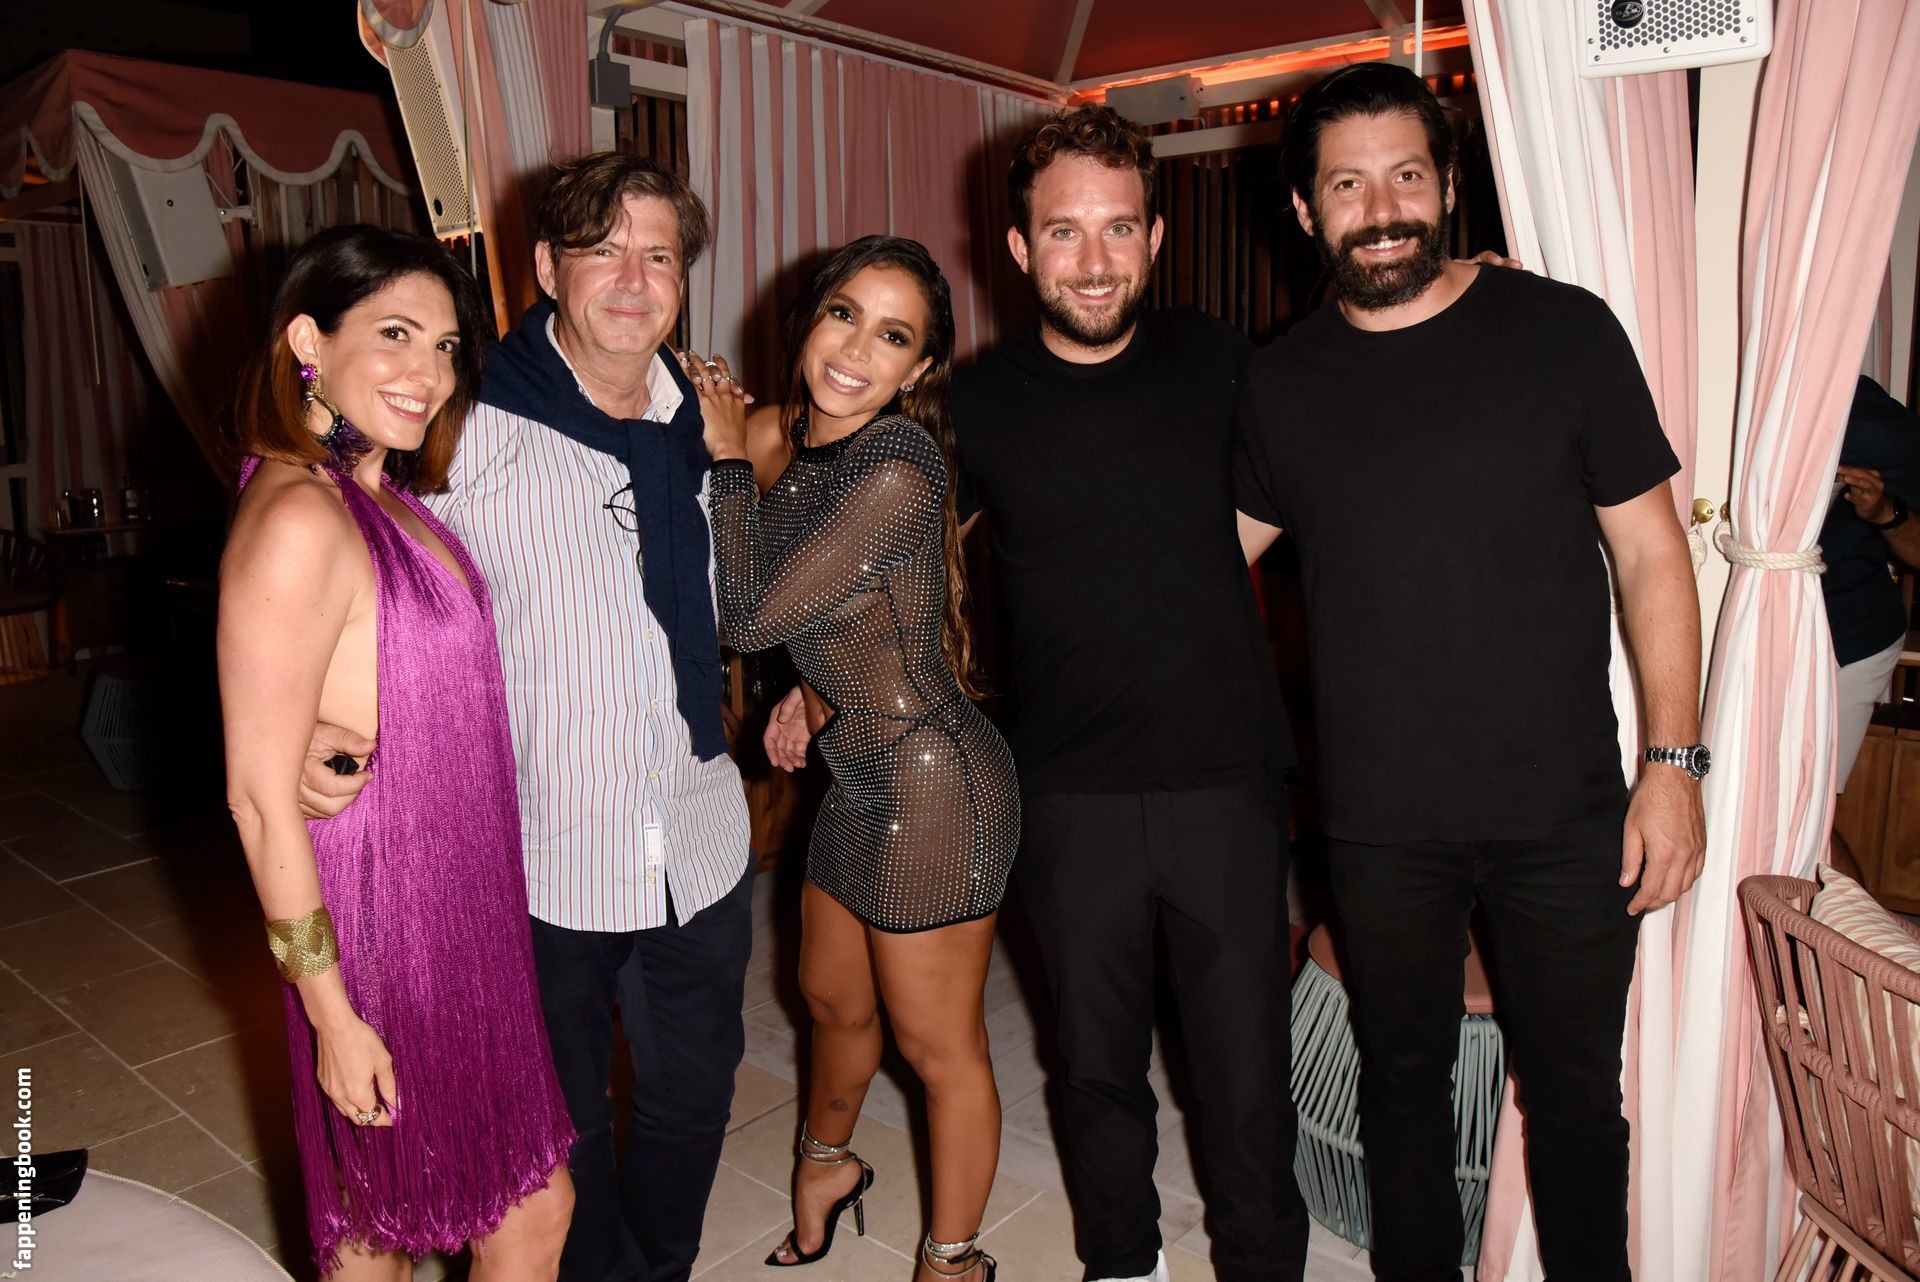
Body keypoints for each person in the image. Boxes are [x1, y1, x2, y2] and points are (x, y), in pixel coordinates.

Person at [769, 107, 1311, 1282]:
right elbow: (898, 568)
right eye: (1064, 231)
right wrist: (816, 691)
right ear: (1019, 248)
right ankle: (1122, 1264)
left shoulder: (1223, 360)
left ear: (1154, 237)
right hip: (1062, 786)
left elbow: (1330, 441)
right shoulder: (972, 405)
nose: (1094, 258)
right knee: (1097, 1067)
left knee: (1243, 1076)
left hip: (1225, 778)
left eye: (1118, 228)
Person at [1234, 64, 1708, 1282]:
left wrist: (1673, 765)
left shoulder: (1563, 332)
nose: (1381, 208)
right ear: (1306, 210)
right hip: (1380, 821)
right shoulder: (1279, 385)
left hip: (1563, 809)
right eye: (1349, 185)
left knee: (1577, 1102)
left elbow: (1653, 554)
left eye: (1406, 175)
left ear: (1448, 185)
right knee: (1402, 1089)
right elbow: (1192, 570)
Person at [299, 156, 755, 1282]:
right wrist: (313, 715)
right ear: (548, 267)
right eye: (602, 250)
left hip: (699, 839)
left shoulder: (705, 422)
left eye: (659, 256)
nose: (633, 280)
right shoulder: (463, 423)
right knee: (566, 1130)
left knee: (694, 1103)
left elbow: (756, 586)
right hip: (543, 856)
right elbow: (335, 535)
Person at [220, 224, 575, 1279]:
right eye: (395, 334)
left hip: (459, 910)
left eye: (447, 345)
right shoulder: (299, 515)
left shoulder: (380, 495)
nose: (430, 372)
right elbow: (257, 798)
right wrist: (331, 1016)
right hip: (384, 930)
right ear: (308, 342)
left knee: (446, 1212)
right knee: (417, 1221)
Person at [689, 235, 1019, 1281]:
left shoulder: (898, 467)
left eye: (893, 337)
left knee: (938, 1046)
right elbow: (865, 616)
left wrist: (725, 459)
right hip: (860, 769)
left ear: (918, 370)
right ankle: (826, 1170)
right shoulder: (784, 432)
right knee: (830, 1000)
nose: (855, 351)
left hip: (939, 783)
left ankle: (952, 1262)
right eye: (844, 315)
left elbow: (749, 616)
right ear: (809, 317)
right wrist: (817, 691)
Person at [1822, 375, 1920, 791]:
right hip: (1755, 628)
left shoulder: (1869, 422)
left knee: (1812, 804)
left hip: (1851, 633)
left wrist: (1884, 512)